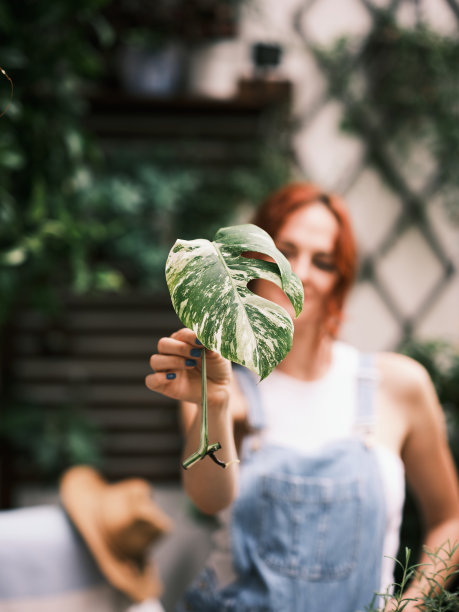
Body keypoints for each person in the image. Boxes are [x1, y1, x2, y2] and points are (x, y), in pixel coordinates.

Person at [145, 182, 459, 611]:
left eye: (324, 261)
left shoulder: (396, 386)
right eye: (286, 252)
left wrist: (412, 605)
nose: (301, 272)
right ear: (252, 263)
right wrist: (214, 402)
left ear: (340, 282)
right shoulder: (218, 384)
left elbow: (451, 519)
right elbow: (208, 499)